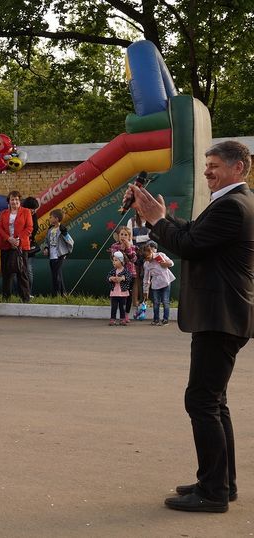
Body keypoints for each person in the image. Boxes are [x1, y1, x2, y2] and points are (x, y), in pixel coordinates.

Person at [130, 141, 254, 513]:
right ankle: (219, 483)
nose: (207, 172)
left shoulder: (233, 205)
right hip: (224, 314)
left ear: (240, 168)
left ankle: (213, 493)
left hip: (221, 315)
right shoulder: (234, 202)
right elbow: (193, 231)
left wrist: (156, 220)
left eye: (214, 166)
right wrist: (159, 216)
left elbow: (191, 244)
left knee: (201, 400)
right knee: (215, 401)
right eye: (206, 165)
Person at [0, 191, 32, 302]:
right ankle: (6, 297)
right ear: (9, 201)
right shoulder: (4, 213)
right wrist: (8, 238)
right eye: (12, 199)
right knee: (6, 273)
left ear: (19, 200)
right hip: (6, 246)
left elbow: (29, 228)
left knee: (22, 272)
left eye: (16, 199)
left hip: (21, 246)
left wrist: (18, 239)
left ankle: (25, 297)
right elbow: (0, 228)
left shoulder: (26, 212)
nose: (14, 201)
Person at [140, 241, 175, 326]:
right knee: (156, 302)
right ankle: (156, 319)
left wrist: (166, 264)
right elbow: (146, 278)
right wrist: (145, 290)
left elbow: (171, 263)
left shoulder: (161, 255)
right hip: (155, 285)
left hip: (166, 282)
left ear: (151, 251)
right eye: (146, 258)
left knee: (165, 301)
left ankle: (165, 320)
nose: (148, 259)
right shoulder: (146, 264)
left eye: (148, 257)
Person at [42, 209, 74, 296]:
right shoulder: (50, 229)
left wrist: (65, 233)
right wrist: (46, 248)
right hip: (52, 256)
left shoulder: (62, 229)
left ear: (56, 218)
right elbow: (46, 241)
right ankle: (62, 293)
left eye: (51, 217)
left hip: (59, 255)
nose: (49, 219)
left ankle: (56, 294)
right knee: (55, 275)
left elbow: (70, 241)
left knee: (57, 274)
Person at [108, 226, 137, 317]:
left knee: (128, 295)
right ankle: (116, 315)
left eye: (126, 235)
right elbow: (115, 258)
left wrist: (128, 248)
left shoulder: (132, 247)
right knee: (117, 295)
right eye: (121, 234)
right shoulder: (114, 246)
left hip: (129, 273)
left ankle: (126, 315)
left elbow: (133, 260)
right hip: (118, 273)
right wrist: (121, 248)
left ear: (129, 237)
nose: (123, 236)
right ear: (118, 235)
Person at [107, 251, 131, 326]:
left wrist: (122, 278)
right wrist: (111, 278)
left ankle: (122, 319)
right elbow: (107, 278)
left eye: (116, 260)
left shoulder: (125, 271)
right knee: (114, 307)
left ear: (121, 261)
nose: (114, 262)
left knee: (122, 307)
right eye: (113, 260)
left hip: (122, 293)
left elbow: (129, 278)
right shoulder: (112, 271)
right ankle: (112, 319)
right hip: (114, 293)